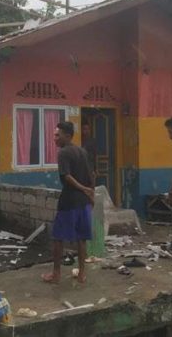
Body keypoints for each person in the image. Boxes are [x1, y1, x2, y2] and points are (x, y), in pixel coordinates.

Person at [42, 121, 95, 284]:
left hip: (70, 201)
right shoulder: (82, 151)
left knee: (58, 238)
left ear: (67, 135)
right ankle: (82, 274)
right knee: (81, 239)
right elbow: (92, 174)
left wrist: (83, 189)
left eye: (57, 135)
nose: (54, 139)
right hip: (83, 202)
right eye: (54, 135)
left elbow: (66, 176)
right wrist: (90, 193)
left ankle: (56, 274)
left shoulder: (63, 153)